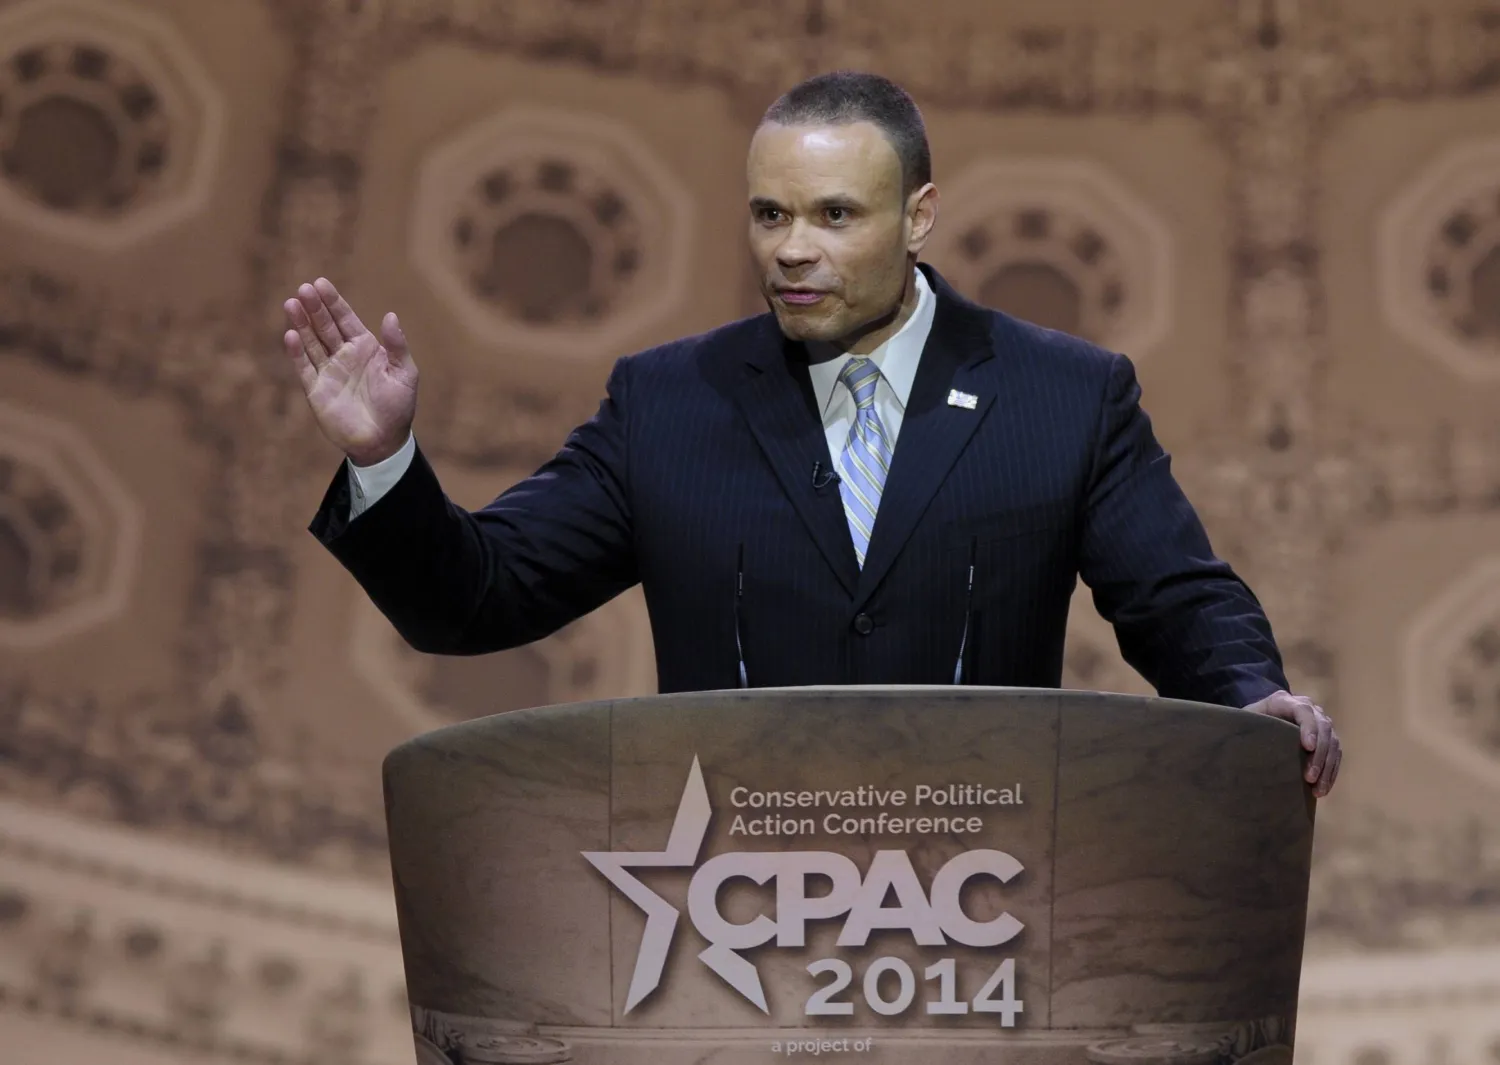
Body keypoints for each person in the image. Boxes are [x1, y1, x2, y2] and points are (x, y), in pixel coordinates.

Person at [286, 71, 1341, 797]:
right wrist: (385, 459)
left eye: (835, 216)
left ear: (919, 216)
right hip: (728, 911)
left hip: (985, 900)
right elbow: (479, 596)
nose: (793, 250)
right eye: (769, 215)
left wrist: (1250, 699)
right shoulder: (669, 403)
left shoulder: (1065, 394)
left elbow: (1177, 597)